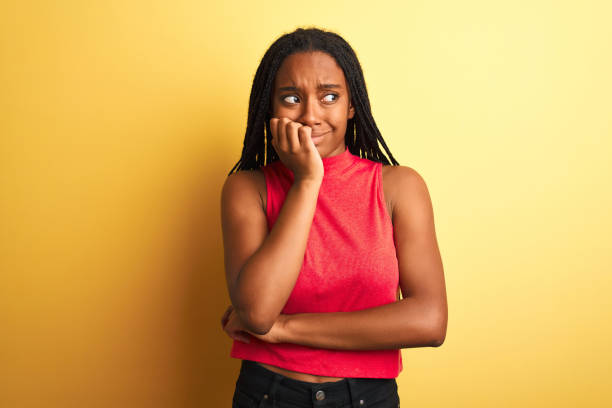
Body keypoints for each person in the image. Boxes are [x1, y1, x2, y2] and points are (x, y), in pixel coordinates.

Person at [220, 27, 447, 408]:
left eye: (329, 97)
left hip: (367, 398)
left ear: (351, 105)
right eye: (291, 98)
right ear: (270, 108)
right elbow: (258, 313)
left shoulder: (399, 187)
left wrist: (286, 328)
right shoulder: (248, 188)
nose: (311, 115)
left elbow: (429, 320)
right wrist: (307, 181)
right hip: (269, 394)